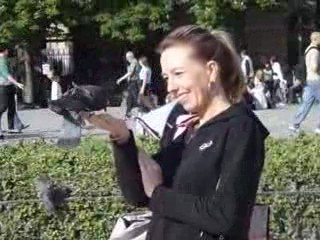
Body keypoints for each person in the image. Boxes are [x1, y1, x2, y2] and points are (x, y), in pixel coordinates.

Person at [83, 25, 269, 240]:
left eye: (178, 74)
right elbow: (138, 196)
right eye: (166, 77)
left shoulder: (241, 128)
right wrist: (123, 138)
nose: (170, 86)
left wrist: (159, 194)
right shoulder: (182, 123)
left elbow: (226, 217)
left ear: (211, 71)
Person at [289, 32, 320, 133]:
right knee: (306, 103)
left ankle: (295, 123)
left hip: (309, 80)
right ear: (315, 39)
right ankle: (318, 127)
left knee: (306, 104)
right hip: (316, 80)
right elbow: (314, 67)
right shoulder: (315, 51)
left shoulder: (307, 49)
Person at [0, 46, 25, 138]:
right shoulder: (2, 61)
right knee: (3, 107)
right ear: (5, 51)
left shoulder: (5, 60)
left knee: (12, 106)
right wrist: (17, 83)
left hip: (8, 86)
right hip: (3, 86)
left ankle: (13, 126)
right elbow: (6, 74)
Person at [116, 51, 140, 118]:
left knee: (135, 98)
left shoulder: (134, 62)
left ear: (130, 57)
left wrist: (120, 79)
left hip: (134, 82)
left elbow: (130, 73)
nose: (126, 59)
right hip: (132, 82)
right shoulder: (133, 62)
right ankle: (127, 114)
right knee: (129, 98)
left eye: (127, 57)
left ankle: (142, 112)